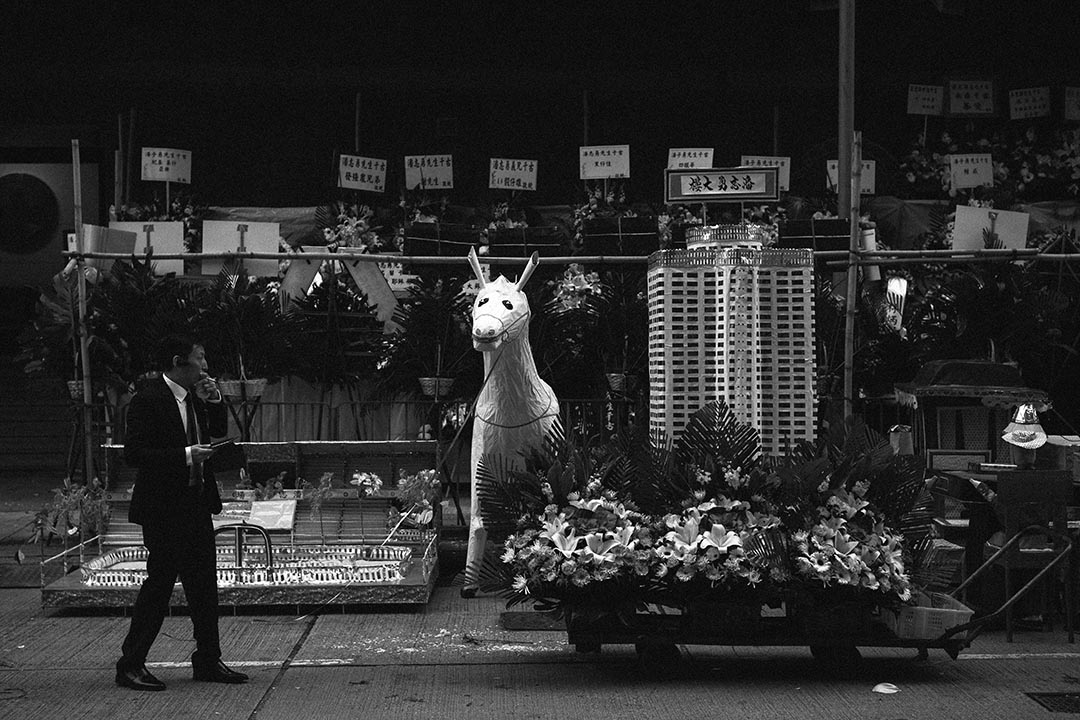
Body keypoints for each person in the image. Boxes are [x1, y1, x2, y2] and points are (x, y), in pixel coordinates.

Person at [115, 333, 249, 691]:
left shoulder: (195, 398)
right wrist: (186, 455)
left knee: (203, 586)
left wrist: (216, 399)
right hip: (162, 509)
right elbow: (134, 454)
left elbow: (217, 431)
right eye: (199, 358)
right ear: (179, 361)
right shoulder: (149, 399)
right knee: (159, 585)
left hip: (195, 504)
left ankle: (208, 659)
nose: (204, 366)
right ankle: (130, 663)